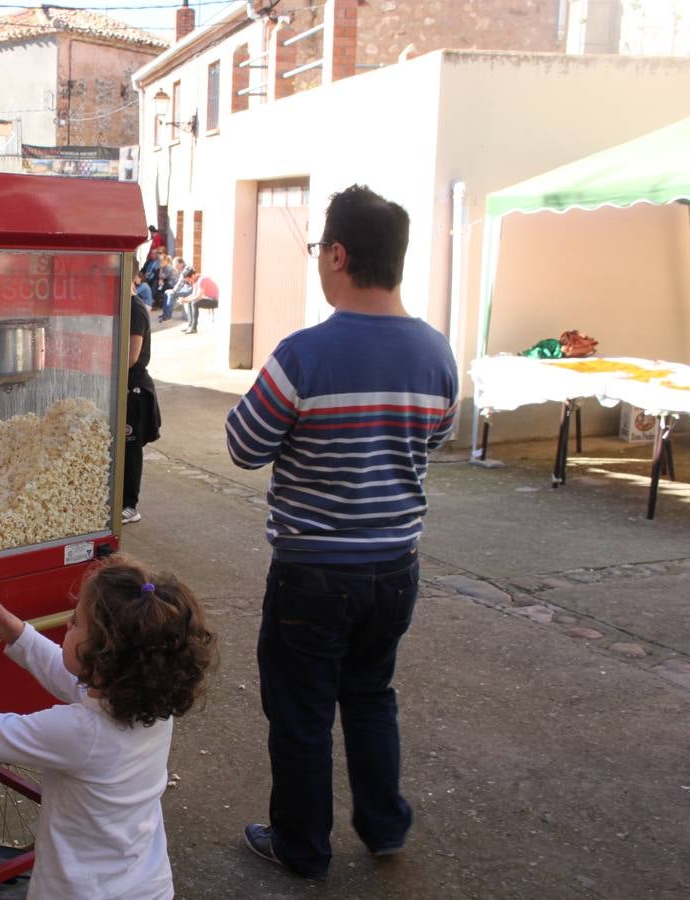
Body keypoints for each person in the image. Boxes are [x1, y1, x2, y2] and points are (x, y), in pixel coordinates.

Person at [225, 185, 458, 881]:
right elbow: (434, 437)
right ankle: (384, 826)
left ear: (337, 254)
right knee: (370, 693)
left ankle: (302, 846)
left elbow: (244, 444)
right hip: (394, 568)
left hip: (313, 571)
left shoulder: (304, 355)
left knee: (300, 713)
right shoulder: (437, 353)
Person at [0, 557, 216, 900]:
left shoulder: (82, 733)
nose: (67, 622)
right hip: (147, 885)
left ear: (102, 654)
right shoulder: (151, 706)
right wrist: (18, 634)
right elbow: (74, 681)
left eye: (76, 622)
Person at [123, 288, 160, 524]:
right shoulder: (119, 305)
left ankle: (129, 506)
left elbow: (130, 357)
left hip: (135, 389)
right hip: (122, 386)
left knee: (131, 449)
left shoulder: (135, 309)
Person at [180, 270, 220, 334]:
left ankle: (193, 328)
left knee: (195, 303)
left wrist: (185, 300)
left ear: (193, 276)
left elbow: (198, 297)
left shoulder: (202, 280)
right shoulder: (195, 281)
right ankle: (190, 326)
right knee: (190, 302)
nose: (189, 282)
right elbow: (194, 294)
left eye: (189, 280)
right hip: (209, 299)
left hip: (215, 301)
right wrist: (185, 299)